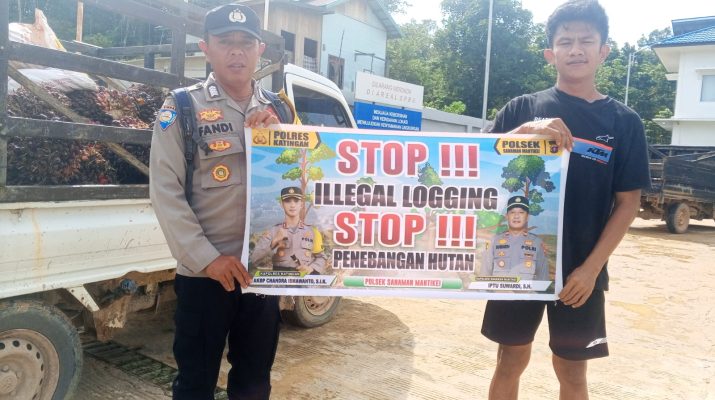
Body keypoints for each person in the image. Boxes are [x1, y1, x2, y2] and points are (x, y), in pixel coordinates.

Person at [480, 1, 651, 399]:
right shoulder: (521, 109)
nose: (576, 49)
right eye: (566, 41)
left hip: (581, 271)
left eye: (586, 41)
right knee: (510, 360)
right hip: (517, 262)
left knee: (573, 372)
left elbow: (628, 203)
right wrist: (525, 131)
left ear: (603, 50)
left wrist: (591, 270)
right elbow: (477, 165)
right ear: (550, 53)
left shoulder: (624, 122)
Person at [149, 4, 296, 399]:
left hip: (261, 274)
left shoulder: (280, 110)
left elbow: (301, 181)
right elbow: (165, 191)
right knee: (195, 384)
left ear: (259, 49)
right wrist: (206, 258)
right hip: (205, 276)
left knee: (254, 383)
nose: (236, 51)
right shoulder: (182, 107)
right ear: (206, 48)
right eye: (225, 42)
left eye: (246, 42)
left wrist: (280, 138)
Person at [251, 187, 327, 275]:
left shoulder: (313, 232)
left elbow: (321, 257)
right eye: (287, 201)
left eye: (296, 201)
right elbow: (254, 259)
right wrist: (274, 242)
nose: (292, 205)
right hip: (279, 280)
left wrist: (311, 268)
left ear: (301, 204)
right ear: (281, 204)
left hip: (304, 280)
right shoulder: (272, 232)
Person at [480, 196, 548, 281]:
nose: (516, 216)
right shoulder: (494, 241)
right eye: (512, 212)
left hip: (527, 290)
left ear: (527, 217)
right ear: (507, 216)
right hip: (499, 290)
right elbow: (484, 275)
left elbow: (543, 278)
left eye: (521, 212)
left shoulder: (537, 243)